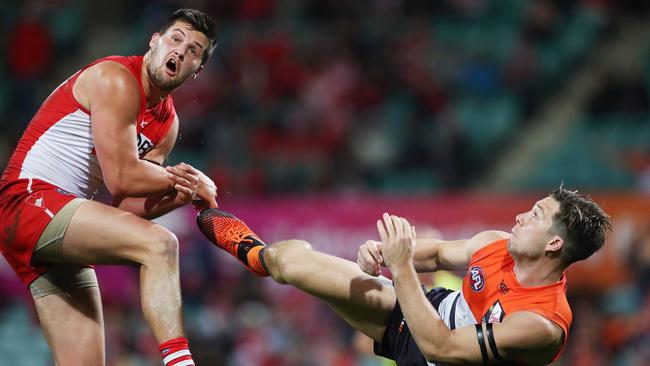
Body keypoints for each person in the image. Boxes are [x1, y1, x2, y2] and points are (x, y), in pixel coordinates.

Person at [0, 9, 219, 366]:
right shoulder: (116, 78)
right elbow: (120, 176)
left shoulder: (167, 124)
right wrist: (186, 179)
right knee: (161, 243)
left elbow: (127, 207)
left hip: (57, 223)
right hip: (26, 201)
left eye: (194, 50)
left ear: (198, 69)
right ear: (155, 41)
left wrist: (179, 196)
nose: (181, 51)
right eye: (176, 39)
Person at [197, 188, 612, 365]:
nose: (521, 216)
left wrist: (400, 268)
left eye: (536, 215)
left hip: (438, 349)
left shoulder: (542, 324)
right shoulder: (496, 244)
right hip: (422, 314)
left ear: (555, 245)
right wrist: (382, 254)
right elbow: (433, 254)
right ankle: (254, 254)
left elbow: (442, 346)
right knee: (291, 263)